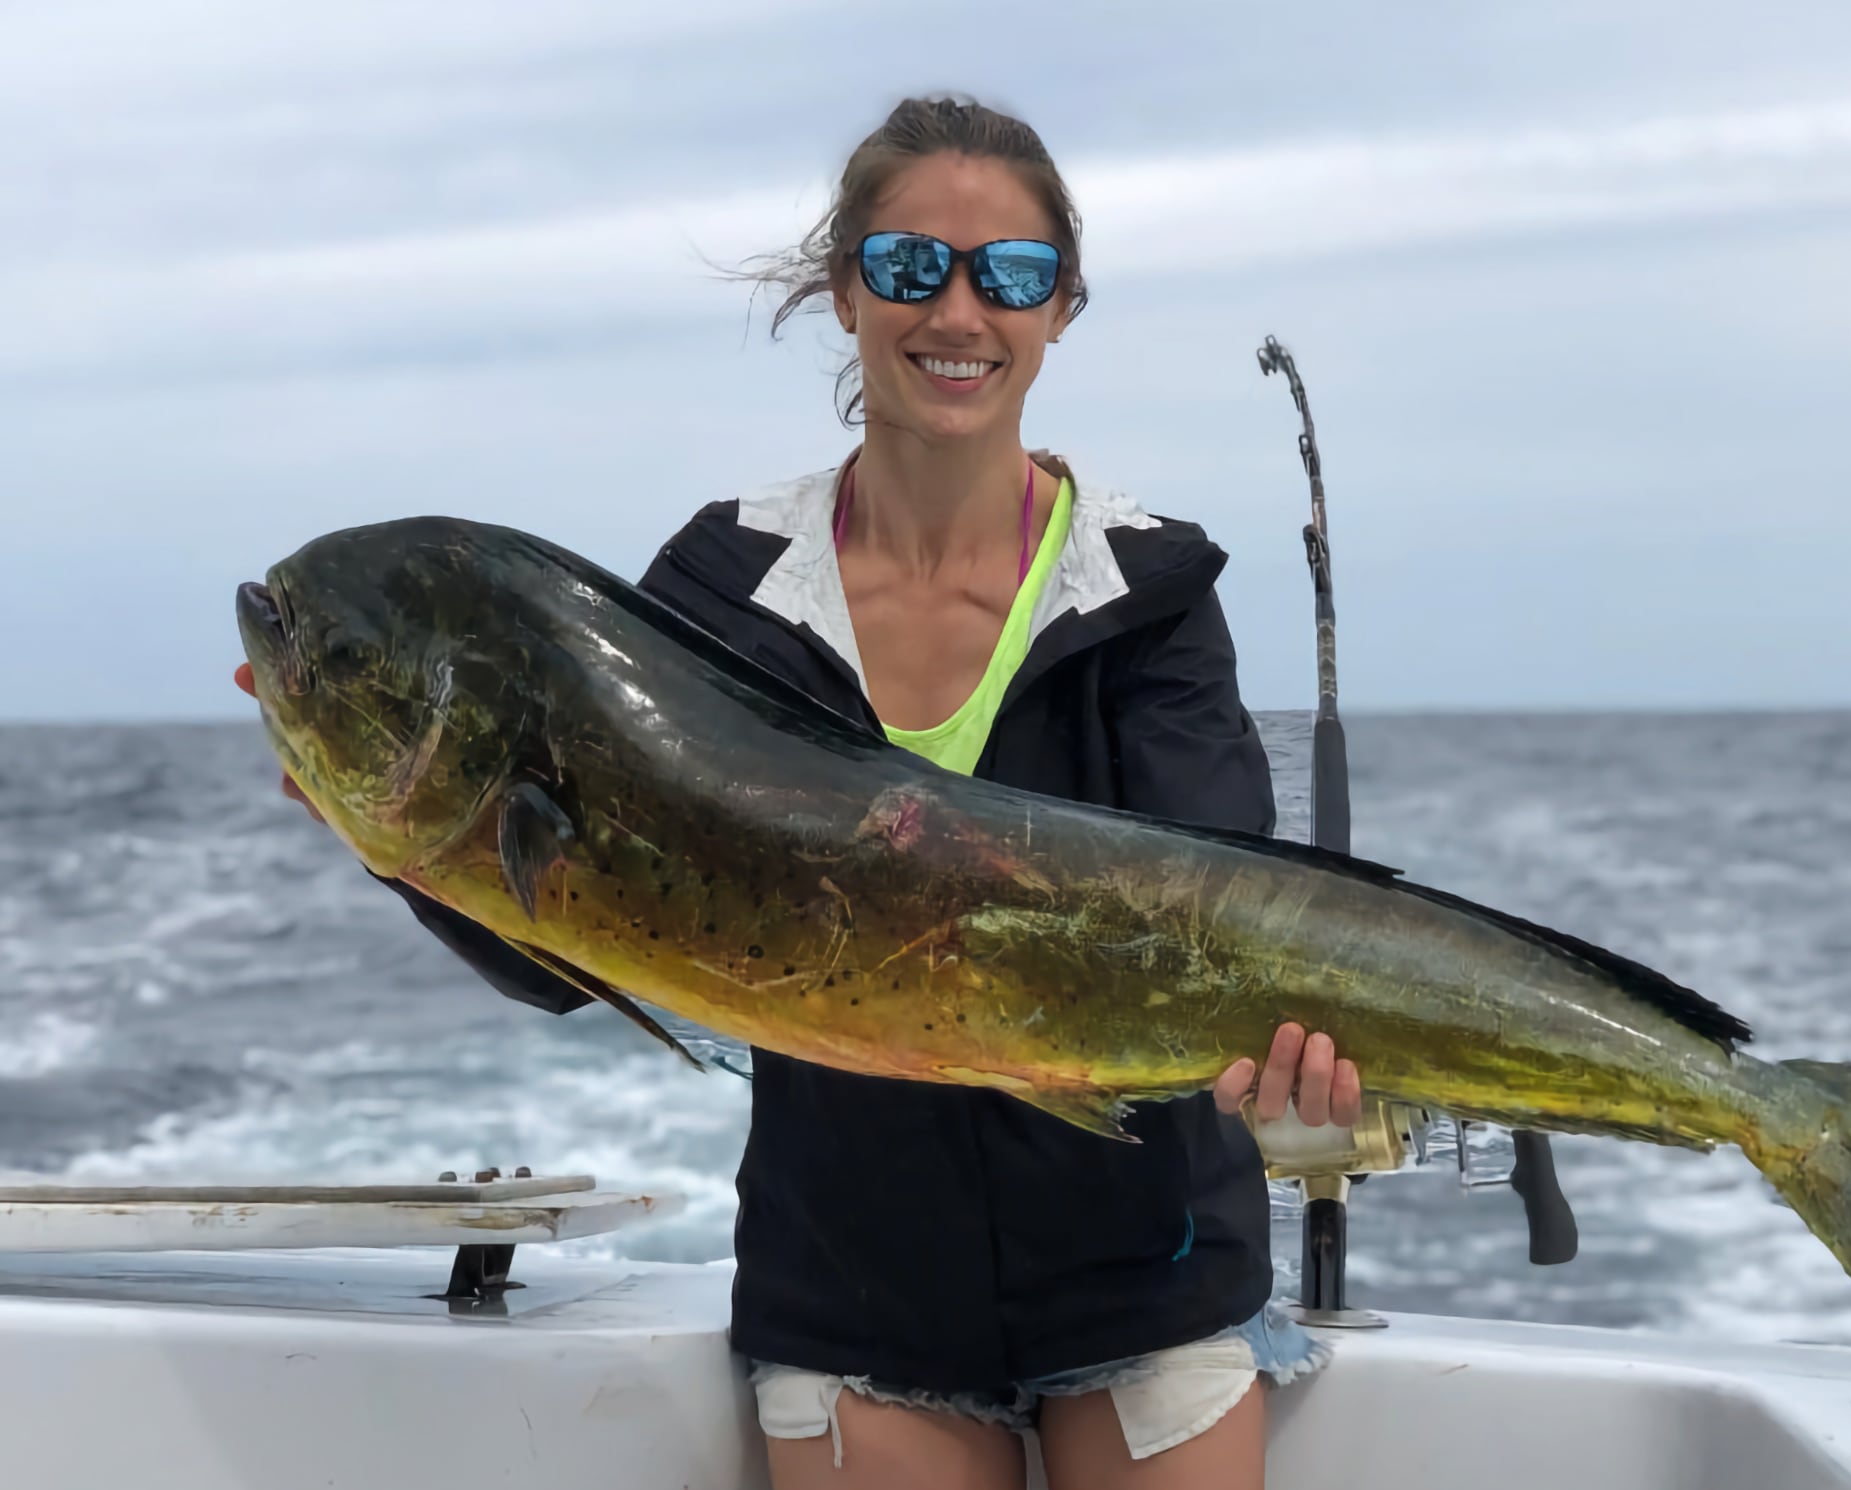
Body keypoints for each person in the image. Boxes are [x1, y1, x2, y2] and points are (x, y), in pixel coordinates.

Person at [232, 95, 1356, 1490]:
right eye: (909, 265)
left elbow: (1223, 902)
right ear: (845, 290)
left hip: (1152, 1274)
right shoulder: (723, 588)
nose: (957, 310)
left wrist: (1292, 1054)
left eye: (1009, 274)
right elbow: (567, 958)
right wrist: (397, 843)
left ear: (1061, 308)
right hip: (858, 1289)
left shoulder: (1149, 587)